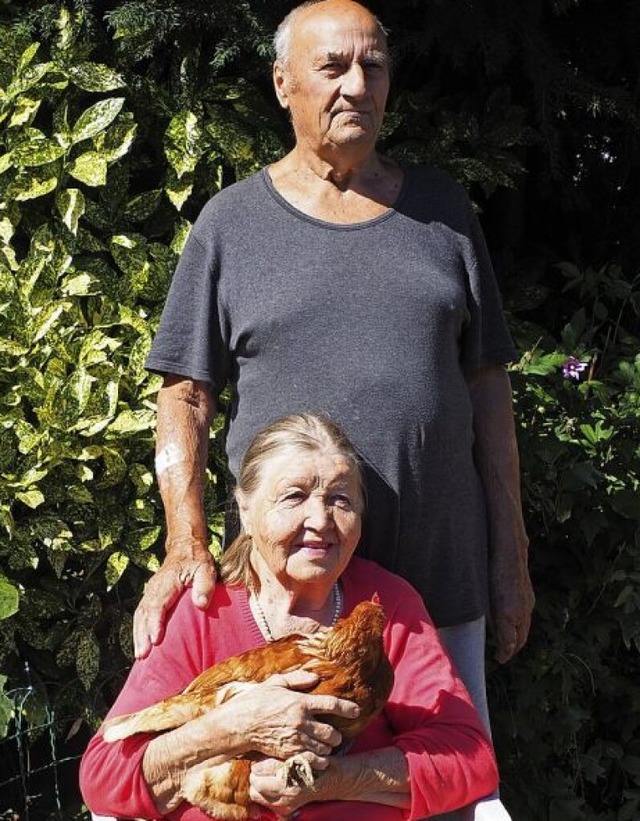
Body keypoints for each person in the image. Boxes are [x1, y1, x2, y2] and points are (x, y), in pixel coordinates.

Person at [135, 1, 534, 817]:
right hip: (282, 601)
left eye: (374, 65)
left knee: (443, 786)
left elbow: (489, 390)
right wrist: (185, 539)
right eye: (332, 67)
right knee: (277, 790)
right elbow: (183, 393)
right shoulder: (231, 225)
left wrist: (513, 549)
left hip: (437, 579)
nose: (357, 84)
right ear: (282, 83)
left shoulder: (444, 214)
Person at [80, 414, 499, 820]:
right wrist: (232, 727)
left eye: (340, 499)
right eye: (294, 496)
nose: (320, 521)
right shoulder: (203, 609)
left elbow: (470, 759)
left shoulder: (386, 608)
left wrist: (333, 781)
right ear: (244, 510)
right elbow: (104, 775)